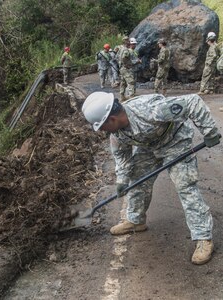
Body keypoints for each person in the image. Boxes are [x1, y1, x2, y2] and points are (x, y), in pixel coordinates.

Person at [82, 91, 221, 265]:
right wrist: (122, 180)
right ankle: (135, 221)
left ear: (112, 119)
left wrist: (210, 131)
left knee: (185, 187)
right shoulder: (117, 135)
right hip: (149, 147)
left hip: (174, 141)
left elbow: (193, 102)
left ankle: (203, 238)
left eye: (101, 126)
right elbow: (122, 158)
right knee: (136, 180)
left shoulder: (152, 110)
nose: (101, 130)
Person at [118, 36, 137, 102]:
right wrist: (128, 64)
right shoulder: (125, 49)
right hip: (125, 68)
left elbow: (118, 58)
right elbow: (124, 58)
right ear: (126, 42)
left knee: (123, 83)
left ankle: (122, 97)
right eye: (128, 41)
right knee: (131, 82)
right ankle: (132, 98)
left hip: (122, 68)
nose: (129, 42)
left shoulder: (121, 48)